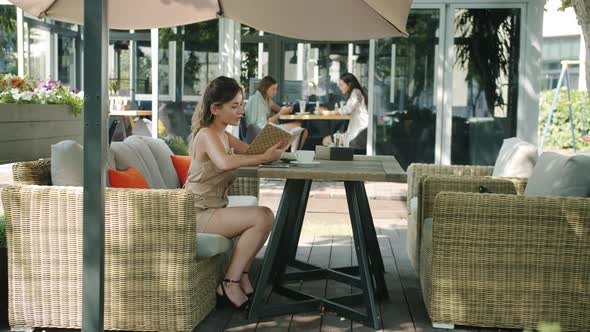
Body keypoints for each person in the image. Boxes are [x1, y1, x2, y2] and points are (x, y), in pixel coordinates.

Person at [186, 76, 288, 310]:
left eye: (241, 104)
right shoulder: (207, 135)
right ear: (215, 109)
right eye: (234, 106)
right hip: (197, 213)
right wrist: (263, 157)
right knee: (262, 216)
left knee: (264, 217)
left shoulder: (224, 134)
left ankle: (240, 274)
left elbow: (251, 152)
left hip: (213, 209)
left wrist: (276, 146)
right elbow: (224, 162)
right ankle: (230, 282)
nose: (241, 110)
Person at [245, 76, 309, 151]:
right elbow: (262, 126)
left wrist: (286, 109)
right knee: (297, 126)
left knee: (304, 131)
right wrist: (280, 114)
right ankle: (292, 154)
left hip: (267, 128)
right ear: (265, 88)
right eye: (273, 89)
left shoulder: (266, 99)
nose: (275, 92)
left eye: (276, 89)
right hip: (261, 132)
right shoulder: (257, 100)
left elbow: (278, 108)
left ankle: (293, 154)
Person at [322, 73, 368, 150]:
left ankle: (336, 158)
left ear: (349, 84)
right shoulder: (358, 92)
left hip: (358, 133)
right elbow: (349, 109)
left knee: (326, 140)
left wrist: (329, 113)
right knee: (329, 140)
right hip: (357, 132)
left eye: (341, 85)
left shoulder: (356, 92)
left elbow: (347, 109)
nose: (340, 87)